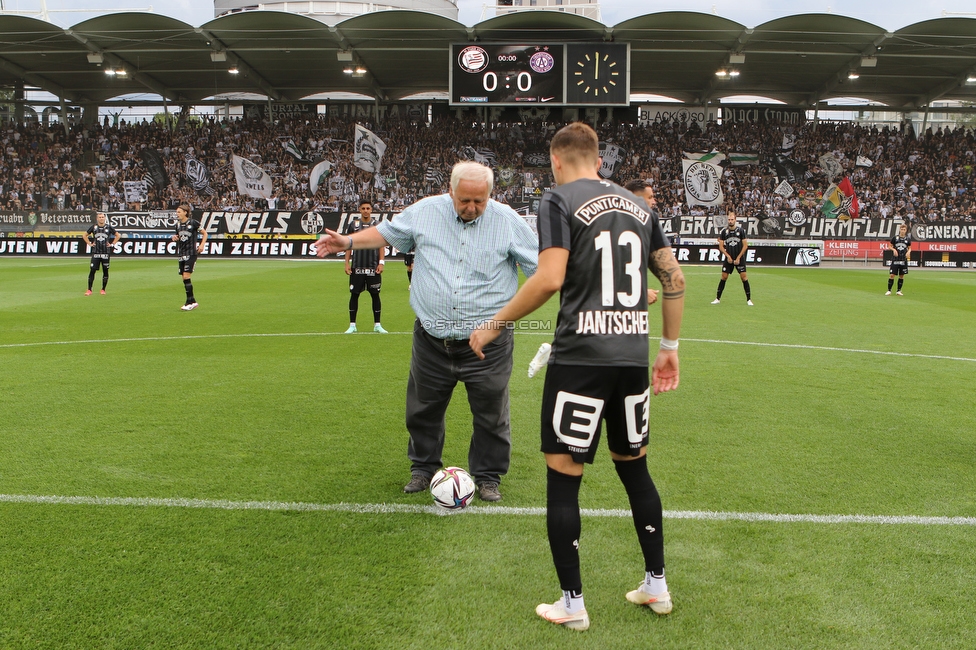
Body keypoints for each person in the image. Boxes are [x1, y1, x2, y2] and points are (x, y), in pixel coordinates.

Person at [470, 122, 685, 631]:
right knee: (635, 470)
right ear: (599, 160)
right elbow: (674, 279)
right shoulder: (641, 208)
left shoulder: (558, 198)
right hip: (632, 358)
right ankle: (656, 586)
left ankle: (572, 604)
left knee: (564, 481)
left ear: (557, 161)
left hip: (580, 361)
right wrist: (669, 348)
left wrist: (493, 326)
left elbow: (549, 278)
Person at [315, 161, 538, 502]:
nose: (472, 208)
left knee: (492, 412)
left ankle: (488, 476)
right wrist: (347, 241)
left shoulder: (508, 221)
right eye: (464, 200)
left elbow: (541, 270)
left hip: (487, 344)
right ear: (451, 190)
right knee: (422, 409)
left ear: (490, 195)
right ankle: (423, 468)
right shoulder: (425, 211)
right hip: (432, 340)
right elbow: (388, 233)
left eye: (480, 201)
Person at [343, 199, 387, 333]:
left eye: (368, 208)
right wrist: (347, 263)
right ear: (359, 210)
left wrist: (381, 262)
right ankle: (352, 325)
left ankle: (377, 325)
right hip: (357, 267)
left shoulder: (377, 225)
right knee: (354, 295)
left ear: (371, 210)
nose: (366, 211)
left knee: (375, 295)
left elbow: (381, 244)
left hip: (373, 267)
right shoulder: (354, 225)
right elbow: (349, 245)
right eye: (363, 208)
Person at [712, 210, 752, 305]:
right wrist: (727, 256)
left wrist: (738, 258)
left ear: (735, 220)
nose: (730, 221)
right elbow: (721, 246)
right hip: (728, 258)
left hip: (739, 258)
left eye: (732, 219)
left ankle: (749, 299)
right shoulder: (724, 232)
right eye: (729, 219)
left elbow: (745, 246)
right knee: (724, 277)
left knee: (744, 277)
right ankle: (717, 298)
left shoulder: (741, 231)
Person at [172, 204, 207, 311]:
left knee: (186, 276)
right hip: (181, 253)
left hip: (191, 253)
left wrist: (201, 245)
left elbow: (205, 233)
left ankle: (189, 302)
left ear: (185, 212)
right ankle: (191, 301)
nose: (177, 214)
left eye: (179, 212)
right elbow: (179, 237)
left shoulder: (193, 223)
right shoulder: (177, 225)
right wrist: (175, 238)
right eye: (177, 212)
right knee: (184, 278)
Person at [83, 212, 120, 295]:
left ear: (105, 218)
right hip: (96, 252)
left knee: (105, 271)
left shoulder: (109, 227)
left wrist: (112, 244)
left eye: (102, 217)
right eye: (100, 217)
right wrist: (89, 244)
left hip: (105, 253)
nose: (101, 218)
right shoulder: (94, 227)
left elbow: (118, 235)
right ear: (97, 218)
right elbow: (84, 235)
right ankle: (89, 290)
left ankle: (103, 289)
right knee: (92, 271)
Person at [886, 223, 911, 295]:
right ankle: (889, 290)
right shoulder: (895, 238)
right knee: (892, 275)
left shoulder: (907, 239)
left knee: (902, 275)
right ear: (899, 230)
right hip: (895, 259)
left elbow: (910, 248)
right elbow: (889, 246)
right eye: (901, 229)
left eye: (904, 229)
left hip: (903, 259)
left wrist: (908, 252)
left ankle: (899, 290)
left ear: (906, 230)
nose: (903, 231)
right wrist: (893, 250)